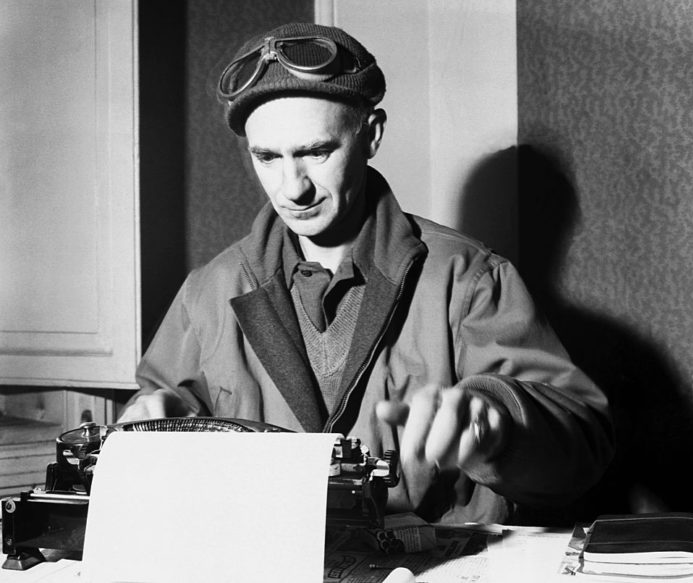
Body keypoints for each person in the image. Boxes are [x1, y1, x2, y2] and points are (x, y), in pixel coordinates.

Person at [119, 22, 614, 524]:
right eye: (267, 157)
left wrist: (500, 424)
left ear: (371, 135)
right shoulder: (208, 289)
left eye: (316, 152)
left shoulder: (469, 277)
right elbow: (163, 406)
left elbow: (582, 449)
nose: (293, 188)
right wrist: (153, 419)